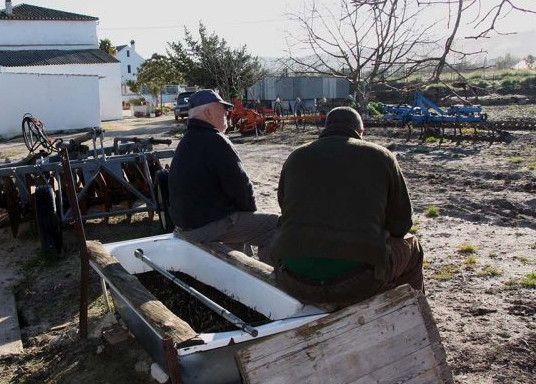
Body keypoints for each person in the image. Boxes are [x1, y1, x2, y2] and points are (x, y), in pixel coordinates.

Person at [271, 106, 423, 311]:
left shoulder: (296, 156)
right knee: (412, 247)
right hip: (359, 281)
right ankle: (412, 315)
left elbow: (284, 208)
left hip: (292, 278)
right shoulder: (382, 157)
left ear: (324, 130)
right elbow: (401, 225)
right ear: (361, 132)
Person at [168, 89, 279, 265]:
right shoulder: (215, 140)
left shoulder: (187, 140)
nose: (227, 113)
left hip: (188, 224)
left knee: (239, 221)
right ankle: (272, 282)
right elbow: (241, 187)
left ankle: (241, 274)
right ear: (208, 112)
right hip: (205, 227)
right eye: (222, 109)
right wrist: (250, 212)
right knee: (275, 225)